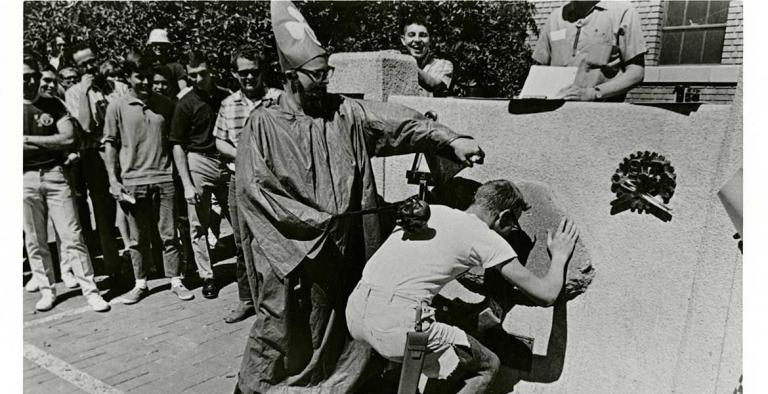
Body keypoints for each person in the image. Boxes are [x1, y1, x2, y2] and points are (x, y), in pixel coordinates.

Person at [234, 2, 484, 393]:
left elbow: (396, 123)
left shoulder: (344, 113)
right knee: (280, 327)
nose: (324, 82)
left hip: (344, 251)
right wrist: (316, 223)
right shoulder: (262, 126)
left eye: (326, 73)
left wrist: (451, 139)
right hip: (293, 256)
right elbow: (254, 192)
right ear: (289, 76)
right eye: (316, 76)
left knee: (340, 332)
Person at [346, 180, 579, 392]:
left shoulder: (434, 211)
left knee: (439, 339)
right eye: (513, 225)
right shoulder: (485, 237)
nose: (511, 233)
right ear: (504, 216)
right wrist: (559, 256)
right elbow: (546, 295)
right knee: (488, 365)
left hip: (355, 313)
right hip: (396, 328)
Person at [23, 53, 110, 313]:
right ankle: (47, 290)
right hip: (23, 178)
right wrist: (51, 142)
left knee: (73, 236)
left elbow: (69, 139)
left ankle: (90, 291)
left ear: (39, 78)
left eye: (32, 77)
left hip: (55, 174)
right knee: (35, 239)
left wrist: (28, 140)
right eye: (22, 77)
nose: (28, 81)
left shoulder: (53, 105)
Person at [102, 59, 194, 304]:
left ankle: (176, 280)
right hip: (133, 181)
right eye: (138, 77)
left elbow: (175, 142)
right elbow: (110, 143)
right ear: (128, 78)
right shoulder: (116, 106)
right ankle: (140, 284)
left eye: (148, 77)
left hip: (164, 179)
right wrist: (113, 179)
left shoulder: (164, 104)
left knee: (169, 234)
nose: (144, 82)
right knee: (136, 238)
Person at [214, 45, 281, 324]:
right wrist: (243, 154)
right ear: (234, 74)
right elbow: (219, 141)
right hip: (238, 181)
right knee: (243, 244)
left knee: (274, 242)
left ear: (262, 71)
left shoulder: (279, 99)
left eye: (254, 72)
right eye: (243, 73)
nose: (249, 78)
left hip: (274, 184)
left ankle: (277, 304)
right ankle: (247, 300)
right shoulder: (228, 105)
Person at [65, 44, 130, 288]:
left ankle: (143, 260)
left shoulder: (118, 87)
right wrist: (84, 92)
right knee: (104, 214)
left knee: (132, 206)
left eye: (92, 62)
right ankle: (114, 269)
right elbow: (84, 125)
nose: (90, 67)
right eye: (83, 65)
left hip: (123, 151)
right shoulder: (74, 92)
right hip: (95, 155)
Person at [169, 50, 232, 299]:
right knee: (198, 225)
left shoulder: (227, 97)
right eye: (192, 75)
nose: (197, 78)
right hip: (199, 161)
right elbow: (177, 145)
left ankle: (247, 271)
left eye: (202, 73)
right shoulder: (185, 103)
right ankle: (207, 275)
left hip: (227, 162)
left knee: (240, 220)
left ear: (211, 71)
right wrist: (186, 183)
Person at [532, 1, 646, 102]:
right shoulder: (555, 18)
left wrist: (593, 93)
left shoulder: (623, 12)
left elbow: (636, 73)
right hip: (556, 114)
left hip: (601, 115)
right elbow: (540, 71)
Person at [400, 18, 454, 97]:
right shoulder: (399, 64)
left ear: (430, 40)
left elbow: (434, 84)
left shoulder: (444, 65)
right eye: (411, 35)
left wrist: (405, 64)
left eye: (423, 35)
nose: (417, 40)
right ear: (403, 40)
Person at [145, 28, 188, 98]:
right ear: (150, 46)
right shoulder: (147, 65)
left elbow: (183, 90)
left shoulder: (176, 67)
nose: (158, 47)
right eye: (155, 44)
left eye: (162, 44)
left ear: (167, 46)